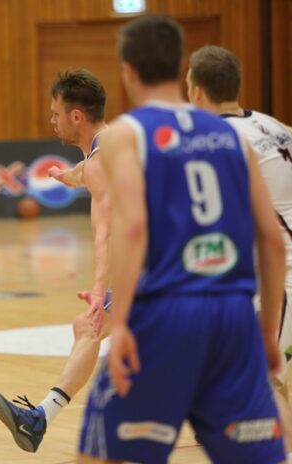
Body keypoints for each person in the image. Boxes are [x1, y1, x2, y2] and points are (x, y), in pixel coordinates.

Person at [78, 14, 286, 464]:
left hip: (166, 314)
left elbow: (131, 228)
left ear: (127, 70)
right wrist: (268, 333)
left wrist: (123, 321)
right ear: (181, 68)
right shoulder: (233, 136)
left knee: (102, 454)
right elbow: (271, 241)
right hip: (232, 316)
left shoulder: (126, 134)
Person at [0, 69, 112, 453]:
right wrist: (69, 176)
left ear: (76, 116)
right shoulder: (113, 146)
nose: (52, 119)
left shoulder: (101, 162)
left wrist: (98, 290)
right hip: (175, 259)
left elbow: (106, 233)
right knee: (88, 329)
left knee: (92, 326)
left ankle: (39, 419)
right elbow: (86, 171)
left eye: (56, 113)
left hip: (155, 266)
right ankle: (40, 418)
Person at [186, 44, 292, 455]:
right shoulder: (274, 125)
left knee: (260, 384)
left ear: (196, 91)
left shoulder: (217, 141)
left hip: (282, 275)